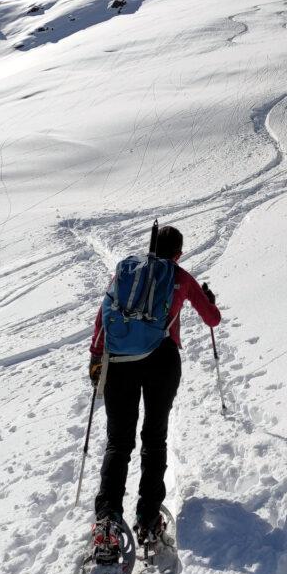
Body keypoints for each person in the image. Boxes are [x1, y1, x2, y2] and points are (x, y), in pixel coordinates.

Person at [87, 225, 221, 557]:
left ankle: (107, 521)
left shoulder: (127, 273)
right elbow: (212, 320)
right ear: (178, 253)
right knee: (154, 436)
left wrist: (96, 359)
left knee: (119, 441)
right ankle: (148, 519)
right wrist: (209, 300)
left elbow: (102, 317)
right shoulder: (180, 277)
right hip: (162, 361)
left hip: (119, 362)